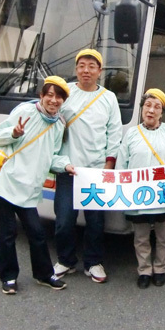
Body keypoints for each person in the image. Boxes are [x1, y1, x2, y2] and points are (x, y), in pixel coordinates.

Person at [0, 76, 75, 295]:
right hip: (3, 181)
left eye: (59, 97)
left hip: (28, 186)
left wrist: (66, 165)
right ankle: (9, 277)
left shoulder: (59, 124)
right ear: (41, 95)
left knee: (37, 232)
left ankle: (43, 274)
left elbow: (53, 157)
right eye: (49, 94)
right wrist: (14, 133)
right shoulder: (26, 111)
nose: (54, 100)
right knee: (8, 231)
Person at [53, 49, 122, 284]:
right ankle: (66, 260)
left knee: (95, 222)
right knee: (63, 221)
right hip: (68, 169)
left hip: (95, 171)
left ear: (99, 71)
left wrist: (109, 165)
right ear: (76, 69)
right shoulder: (65, 93)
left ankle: (93, 262)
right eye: (82, 65)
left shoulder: (109, 98)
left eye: (92, 66)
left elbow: (114, 132)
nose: (86, 70)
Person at [116, 88, 165, 289]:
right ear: (142, 109)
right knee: (140, 236)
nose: (151, 110)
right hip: (138, 195)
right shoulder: (132, 134)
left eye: (157, 107)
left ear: (162, 112)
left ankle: (160, 269)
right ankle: (143, 270)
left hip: (164, 193)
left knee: (164, 235)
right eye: (148, 105)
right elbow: (121, 165)